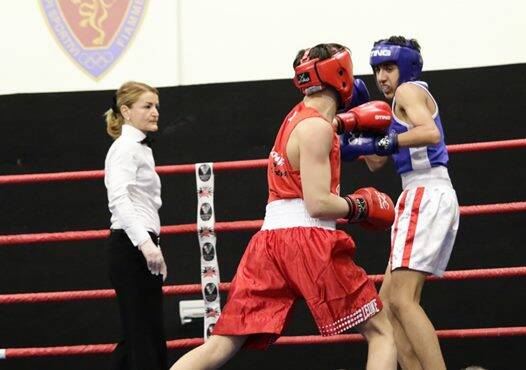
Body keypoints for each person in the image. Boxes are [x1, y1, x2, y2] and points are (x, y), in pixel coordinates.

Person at [170, 43, 397, 370]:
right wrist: (360, 206)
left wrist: (348, 122)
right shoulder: (316, 128)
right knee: (382, 331)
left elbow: (336, 140)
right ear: (341, 74)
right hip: (308, 240)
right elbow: (317, 203)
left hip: (268, 244)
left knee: (222, 345)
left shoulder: (296, 118)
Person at [340, 36, 460, 370]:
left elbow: (428, 133)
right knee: (387, 304)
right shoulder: (394, 108)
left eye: (389, 68)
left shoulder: (409, 92)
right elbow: (378, 160)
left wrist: (386, 141)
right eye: (377, 69)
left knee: (404, 301)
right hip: (417, 195)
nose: (381, 77)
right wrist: (352, 136)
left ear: (405, 67)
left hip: (426, 192)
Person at [104, 81, 168, 370]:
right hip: (131, 247)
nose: (155, 112)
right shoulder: (125, 148)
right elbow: (119, 199)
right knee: (142, 335)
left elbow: (143, 205)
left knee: (144, 334)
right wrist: (145, 245)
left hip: (140, 246)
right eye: (147, 106)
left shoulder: (140, 148)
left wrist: (153, 246)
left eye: (156, 106)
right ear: (126, 111)